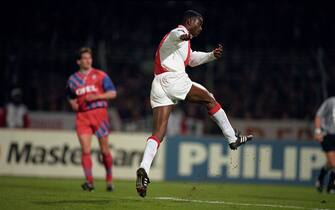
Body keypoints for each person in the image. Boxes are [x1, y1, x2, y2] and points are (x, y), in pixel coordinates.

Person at [136, 10, 253, 197]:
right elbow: (176, 35)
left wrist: (211, 55)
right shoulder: (177, 33)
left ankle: (144, 169)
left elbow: (190, 59)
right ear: (190, 21)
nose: (201, 27)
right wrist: (184, 35)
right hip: (173, 79)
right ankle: (232, 139)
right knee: (210, 99)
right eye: (199, 23)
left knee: (158, 132)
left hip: (158, 83)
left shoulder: (183, 43)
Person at [67, 47, 117, 192]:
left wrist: (96, 97)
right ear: (78, 61)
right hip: (83, 116)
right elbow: (70, 95)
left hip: (99, 114)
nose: (88, 60)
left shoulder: (100, 75)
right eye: (85, 58)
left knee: (105, 150)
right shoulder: (73, 79)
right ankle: (89, 182)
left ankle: (109, 180)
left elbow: (113, 93)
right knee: (85, 150)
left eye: (90, 58)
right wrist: (73, 104)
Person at [314, 97, 335, 194]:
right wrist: (318, 131)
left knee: (331, 164)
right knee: (333, 162)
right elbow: (319, 115)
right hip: (327, 134)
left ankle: (320, 179)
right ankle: (331, 186)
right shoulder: (331, 102)